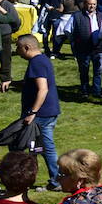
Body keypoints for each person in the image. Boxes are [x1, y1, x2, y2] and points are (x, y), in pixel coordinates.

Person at [16, 35, 61, 191]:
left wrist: (33, 112)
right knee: (36, 148)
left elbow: (43, 89)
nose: (17, 51)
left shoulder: (37, 62)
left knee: (45, 147)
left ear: (27, 47)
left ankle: (56, 181)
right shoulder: (42, 60)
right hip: (46, 112)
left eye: (18, 47)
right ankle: (32, 180)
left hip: (41, 115)